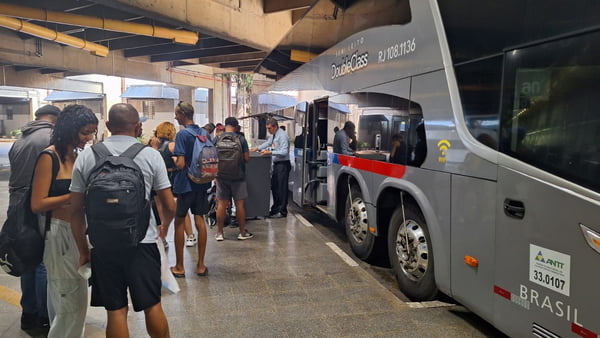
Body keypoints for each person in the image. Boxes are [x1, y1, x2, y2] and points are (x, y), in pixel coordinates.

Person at [69, 103, 175, 338]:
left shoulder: (87, 156)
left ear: (107, 126)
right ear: (138, 127)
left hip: (103, 245)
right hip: (143, 243)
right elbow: (169, 205)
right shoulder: (150, 155)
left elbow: (75, 210)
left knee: (115, 311)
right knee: (152, 305)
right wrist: (164, 227)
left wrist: (83, 249)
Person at [30, 104, 98, 338]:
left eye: (92, 132)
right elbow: (37, 204)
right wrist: (73, 195)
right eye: (85, 132)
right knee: (69, 302)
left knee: (70, 300)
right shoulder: (49, 157)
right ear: (70, 129)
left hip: (79, 232)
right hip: (58, 234)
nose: (89, 138)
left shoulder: (79, 156)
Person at [8, 105, 60, 331]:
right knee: (42, 262)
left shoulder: (20, 139)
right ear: (56, 119)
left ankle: (28, 313)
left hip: (16, 206)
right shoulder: (50, 137)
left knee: (27, 258)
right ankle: (43, 315)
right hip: (37, 205)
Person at [171, 101, 210, 277]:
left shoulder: (182, 135)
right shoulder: (204, 133)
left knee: (179, 221)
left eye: (177, 114)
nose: (175, 117)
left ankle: (180, 266)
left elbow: (180, 164)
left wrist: (171, 160)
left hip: (185, 184)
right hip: (202, 182)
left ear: (183, 114)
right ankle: (201, 265)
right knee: (200, 220)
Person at [151, 122, 197, 247]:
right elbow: (181, 162)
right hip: (172, 179)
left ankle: (163, 238)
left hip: (157, 180)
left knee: (160, 210)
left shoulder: (153, 146)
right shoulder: (172, 145)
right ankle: (190, 235)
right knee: (180, 208)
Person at [214, 117, 253, 241]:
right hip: (238, 176)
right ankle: (242, 232)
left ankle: (220, 233)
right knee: (239, 204)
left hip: (221, 177)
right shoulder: (241, 139)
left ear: (225, 126)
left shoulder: (217, 139)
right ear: (236, 127)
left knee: (221, 204)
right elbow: (247, 158)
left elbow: (211, 157)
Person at [251, 118, 290, 218]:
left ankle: (282, 210)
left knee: (281, 188)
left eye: (269, 128)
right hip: (277, 164)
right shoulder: (274, 135)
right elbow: (268, 143)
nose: (268, 130)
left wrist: (271, 152)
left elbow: (284, 152)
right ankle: (276, 208)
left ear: (275, 126)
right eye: (267, 128)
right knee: (274, 186)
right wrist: (257, 148)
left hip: (283, 164)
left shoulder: (282, 136)